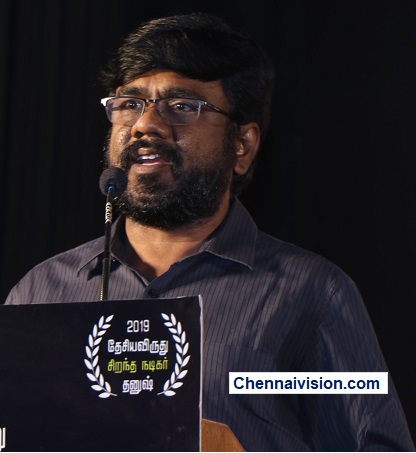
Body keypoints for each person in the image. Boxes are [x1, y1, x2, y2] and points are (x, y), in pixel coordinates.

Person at [5, 12, 415, 451]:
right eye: (129, 104)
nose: (145, 125)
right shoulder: (40, 292)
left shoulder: (314, 294)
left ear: (243, 145)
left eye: (182, 106)